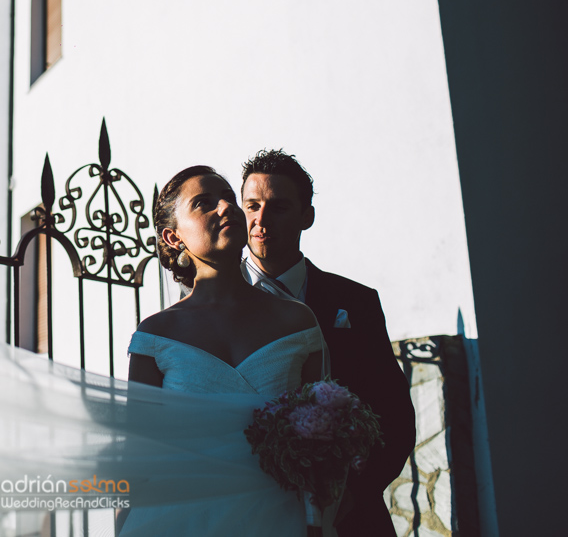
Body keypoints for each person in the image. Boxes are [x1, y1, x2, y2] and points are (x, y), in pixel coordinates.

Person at [122, 165, 327, 535]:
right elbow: (137, 461)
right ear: (173, 237)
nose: (226, 208)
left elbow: (321, 448)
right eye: (204, 204)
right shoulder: (156, 335)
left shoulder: (298, 322)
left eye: (229, 199)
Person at [239, 149, 416, 537]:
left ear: (308, 216)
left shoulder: (356, 302)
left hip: (348, 516)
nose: (260, 219)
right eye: (251, 205)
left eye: (278, 207)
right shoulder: (211, 306)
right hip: (244, 511)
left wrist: (347, 497)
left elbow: (394, 414)